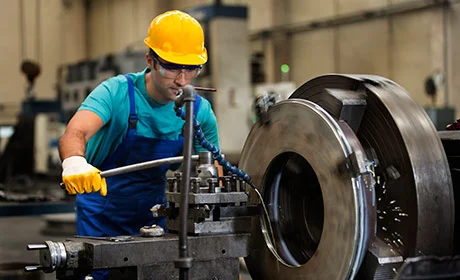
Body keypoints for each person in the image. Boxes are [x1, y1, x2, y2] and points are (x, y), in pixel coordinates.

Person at [59, 10, 219, 240]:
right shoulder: (116, 93)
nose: (182, 80)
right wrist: (74, 163)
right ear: (150, 60)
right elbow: (76, 132)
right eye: (172, 67)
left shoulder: (199, 111)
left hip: (155, 215)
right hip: (101, 217)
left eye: (191, 68)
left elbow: (212, 169)